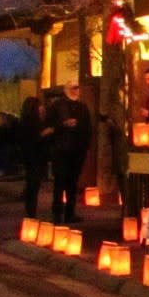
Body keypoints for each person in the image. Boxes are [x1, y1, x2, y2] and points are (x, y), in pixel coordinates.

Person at [44, 80, 92, 225]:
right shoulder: (57, 106)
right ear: (66, 90)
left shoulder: (83, 107)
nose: (76, 91)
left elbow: (87, 128)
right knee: (60, 181)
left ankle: (70, 213)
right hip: (61, 149)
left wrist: (85, 146)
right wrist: (62, 126)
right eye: (73, 88)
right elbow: (49, 126)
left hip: (77, 150)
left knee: (72, 182)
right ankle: (57, 214)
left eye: (77, 88)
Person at [16, 96, 49, 217]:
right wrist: (44, 134)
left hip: (33, 158)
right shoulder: (31, 123)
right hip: (34, 158)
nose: (42, 108)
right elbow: (31, 140)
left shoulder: (30, 122)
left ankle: (31, 210)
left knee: (33, 184)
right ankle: (31, 213)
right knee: (33, 185)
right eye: (40, 106)